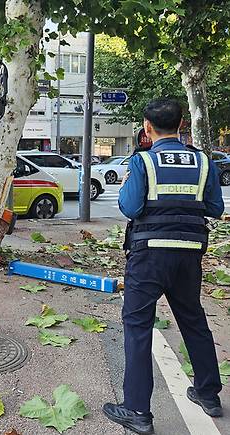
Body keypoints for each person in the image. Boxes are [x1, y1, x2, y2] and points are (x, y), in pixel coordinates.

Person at [103, 99, 225, 435]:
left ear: (147, 126)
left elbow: (129, 207)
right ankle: (208, 394)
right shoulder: (203, 162)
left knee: (138, 326)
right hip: (188, 255)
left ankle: (138, 411)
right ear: (182, 123)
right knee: (193, 319)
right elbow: (215, 207)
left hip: (149, 256)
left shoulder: (143, 161)